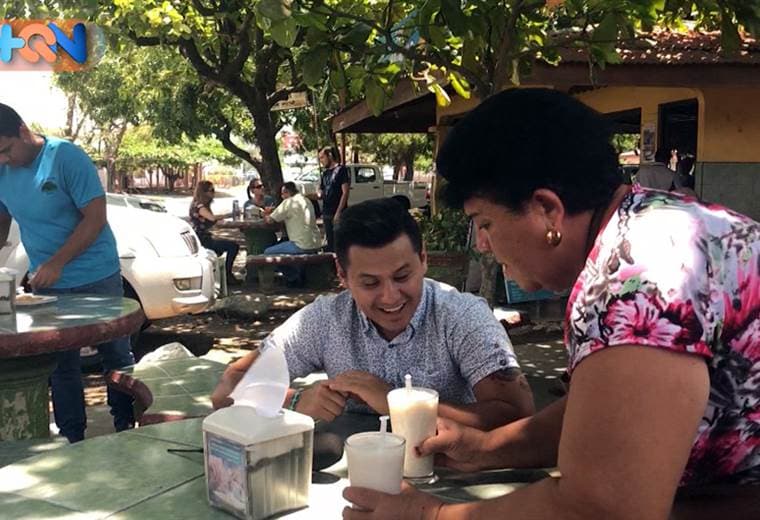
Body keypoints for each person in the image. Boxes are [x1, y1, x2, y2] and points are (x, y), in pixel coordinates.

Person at [341, 89, 759, 519]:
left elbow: (602, 508)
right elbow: (612, 412)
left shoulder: (632, 282)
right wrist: (484, 447)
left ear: (546, 210)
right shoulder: (660, 223)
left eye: (485, 223)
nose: (483, 244)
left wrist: (429, 515)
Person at [211, 198, 535, 432]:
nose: (390, 296)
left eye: (402, 276)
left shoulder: (463, 316)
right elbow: (228, 388)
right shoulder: (324, 320)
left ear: (423, 259)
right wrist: (293, 402)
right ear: (342, 274)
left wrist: (399, 403)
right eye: (370, 283)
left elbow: (519, 417)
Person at [0, 103, 135, 443]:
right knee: (60, 365)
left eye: (6, 150)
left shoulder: (65, 157)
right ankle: (73, 439)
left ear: (22, 131)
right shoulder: (1, 170)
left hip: (96, 276)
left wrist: (57, 263)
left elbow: (96, 217)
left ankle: (126, 427)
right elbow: (2, 221)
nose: (3, 160)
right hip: (48, 289)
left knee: (116, 355)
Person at [262, 182, 323, 285]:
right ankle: (298, 274)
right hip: (316, 242)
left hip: (301, 245)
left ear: (287, 193)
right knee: (285, 245)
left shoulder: (288, 202)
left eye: (282, 194)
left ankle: (293, 277)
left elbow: (270, 220)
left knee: (268, 252)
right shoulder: (306, 200)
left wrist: (265, 214)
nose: (282, 197)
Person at [189, 180, 241, 284]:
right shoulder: (199, 206)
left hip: (203, 238)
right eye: (211, 190)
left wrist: (226, 218)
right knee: (233, 246)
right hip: (203, 240)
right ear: (204, 192)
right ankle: (227, 275)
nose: (214, 193)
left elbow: (211, 221)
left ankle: (222, 275)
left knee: (224, 247)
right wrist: (229, 216)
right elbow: (212, 218)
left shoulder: (198, 205)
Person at [317, 146, 350, 251]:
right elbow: (321, 192)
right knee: (330, 242)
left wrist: (338, 212)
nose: (321, 161)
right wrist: (318, 192)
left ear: (330, 156)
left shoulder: (341, 170)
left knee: (340, 242)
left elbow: (345, 192)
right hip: (326, 212)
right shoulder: (324, 173)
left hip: (337, 211)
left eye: (322, 157)